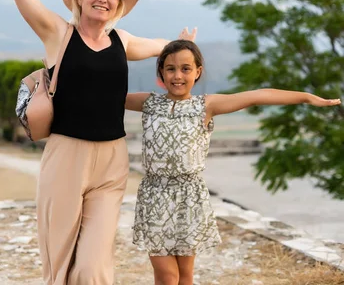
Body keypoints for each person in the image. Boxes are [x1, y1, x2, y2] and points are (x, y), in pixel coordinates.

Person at [7, 0, 196, 285]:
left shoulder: (122, 41)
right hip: (66, 156)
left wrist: (182, 46)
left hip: (112, 162)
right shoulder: (58, 33)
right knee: (60, 263)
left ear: (119, 4)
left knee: (94, 267)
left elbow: (165, 48)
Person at [125, 39, 341, 285]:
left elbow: (256, 96)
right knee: (167, 276)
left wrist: (305, 98)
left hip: (189, 197)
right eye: (170, 68)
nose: (177, 76)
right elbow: (105, 95)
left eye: (185, 68)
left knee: (185, 277)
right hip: (155, 196)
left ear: (198, 72)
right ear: (161, 71)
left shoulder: (206, 105)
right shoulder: (149, 103)